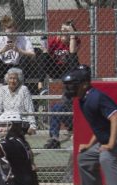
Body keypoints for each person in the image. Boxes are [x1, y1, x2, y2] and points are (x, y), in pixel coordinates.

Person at [40, 20, 81, 149]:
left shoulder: (75, 40)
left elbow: (73, 52)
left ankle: (54, 138)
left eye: (66, 30)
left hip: (69, 71)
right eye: (62, 29)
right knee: (44, 55)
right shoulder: (54, 40)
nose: (63, 32)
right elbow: (46, 56)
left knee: (72, 56)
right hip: (56, 70)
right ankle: (57, 135)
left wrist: (72, 36)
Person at [0, 15, 35, 86]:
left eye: (13, 33)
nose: (11, 36)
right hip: (3, 66)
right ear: (4, 31)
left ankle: (20, 84)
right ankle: (1, 85)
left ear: (16, 30)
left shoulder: (24, 38)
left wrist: (19, 50)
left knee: (25, 58)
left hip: (18, 65)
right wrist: (2, 50)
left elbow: (33, 55)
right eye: (8, 34)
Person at [0, 67, 37, 135]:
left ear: (19, 80)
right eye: (10, 78)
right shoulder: (3, 90)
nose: (12, 81)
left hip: (20, 121)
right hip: (5, 120)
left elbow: (30, 108)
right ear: (7, 79)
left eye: (15, 79)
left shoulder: (23, 89)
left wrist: (33, 126)